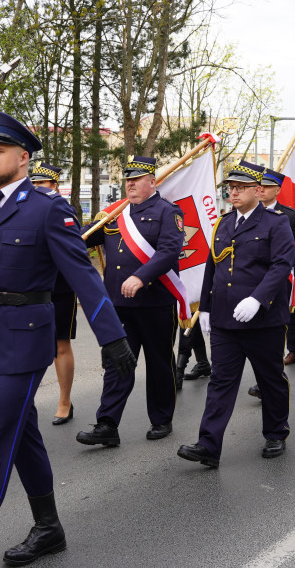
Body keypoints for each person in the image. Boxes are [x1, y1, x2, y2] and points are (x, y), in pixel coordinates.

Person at [0, 112, 136, 567]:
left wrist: (112, 337)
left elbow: (83, 276)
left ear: (23, 158)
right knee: (23, 435)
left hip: (25, 342)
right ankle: (49, 528)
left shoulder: (48, 208)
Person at [176, 161, 294, 467]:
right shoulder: (223, 224)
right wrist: (206, 307)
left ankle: (276, 432)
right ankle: (208, 446)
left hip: (264, 320)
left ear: (258, 190)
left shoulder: (276, 223)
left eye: (240, 187)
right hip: (226, 320)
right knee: (220, 382)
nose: (234, 192)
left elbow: (281, 265)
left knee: (270, 379)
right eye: (231, 187)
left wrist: (258, 299)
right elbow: (212, 266)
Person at [77, 155, 184, 447]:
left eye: (137, 179)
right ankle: (107, 424)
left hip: (155, 303)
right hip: (119, 305)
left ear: (153, 181)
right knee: (117, 362)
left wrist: (141, 277)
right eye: (128, 179)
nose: (131, 184)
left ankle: (161, 418)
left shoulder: (168, 212)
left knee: (159, 363)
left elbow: (168, 252)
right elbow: (82, 238)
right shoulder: (114, 214)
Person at [246, 167, 295, 399]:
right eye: (259, 186)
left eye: (266, 187)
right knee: (256, 335)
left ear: (277, 189)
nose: (261, 190)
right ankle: (264, 379)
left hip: (279, 282)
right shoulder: (245, 213)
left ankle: (270, 380)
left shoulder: (288, 216)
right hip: (251, 284)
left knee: (274, 333)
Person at [28, 160, 78, 425]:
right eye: (33, 183)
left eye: (42, 184)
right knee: (30, 345)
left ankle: (65, 400)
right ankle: (24, 399)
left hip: (60, 287)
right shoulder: (23, 209)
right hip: (32, 288)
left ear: (54, 186)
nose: (36, 188)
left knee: (60, 344)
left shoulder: (63, 210)